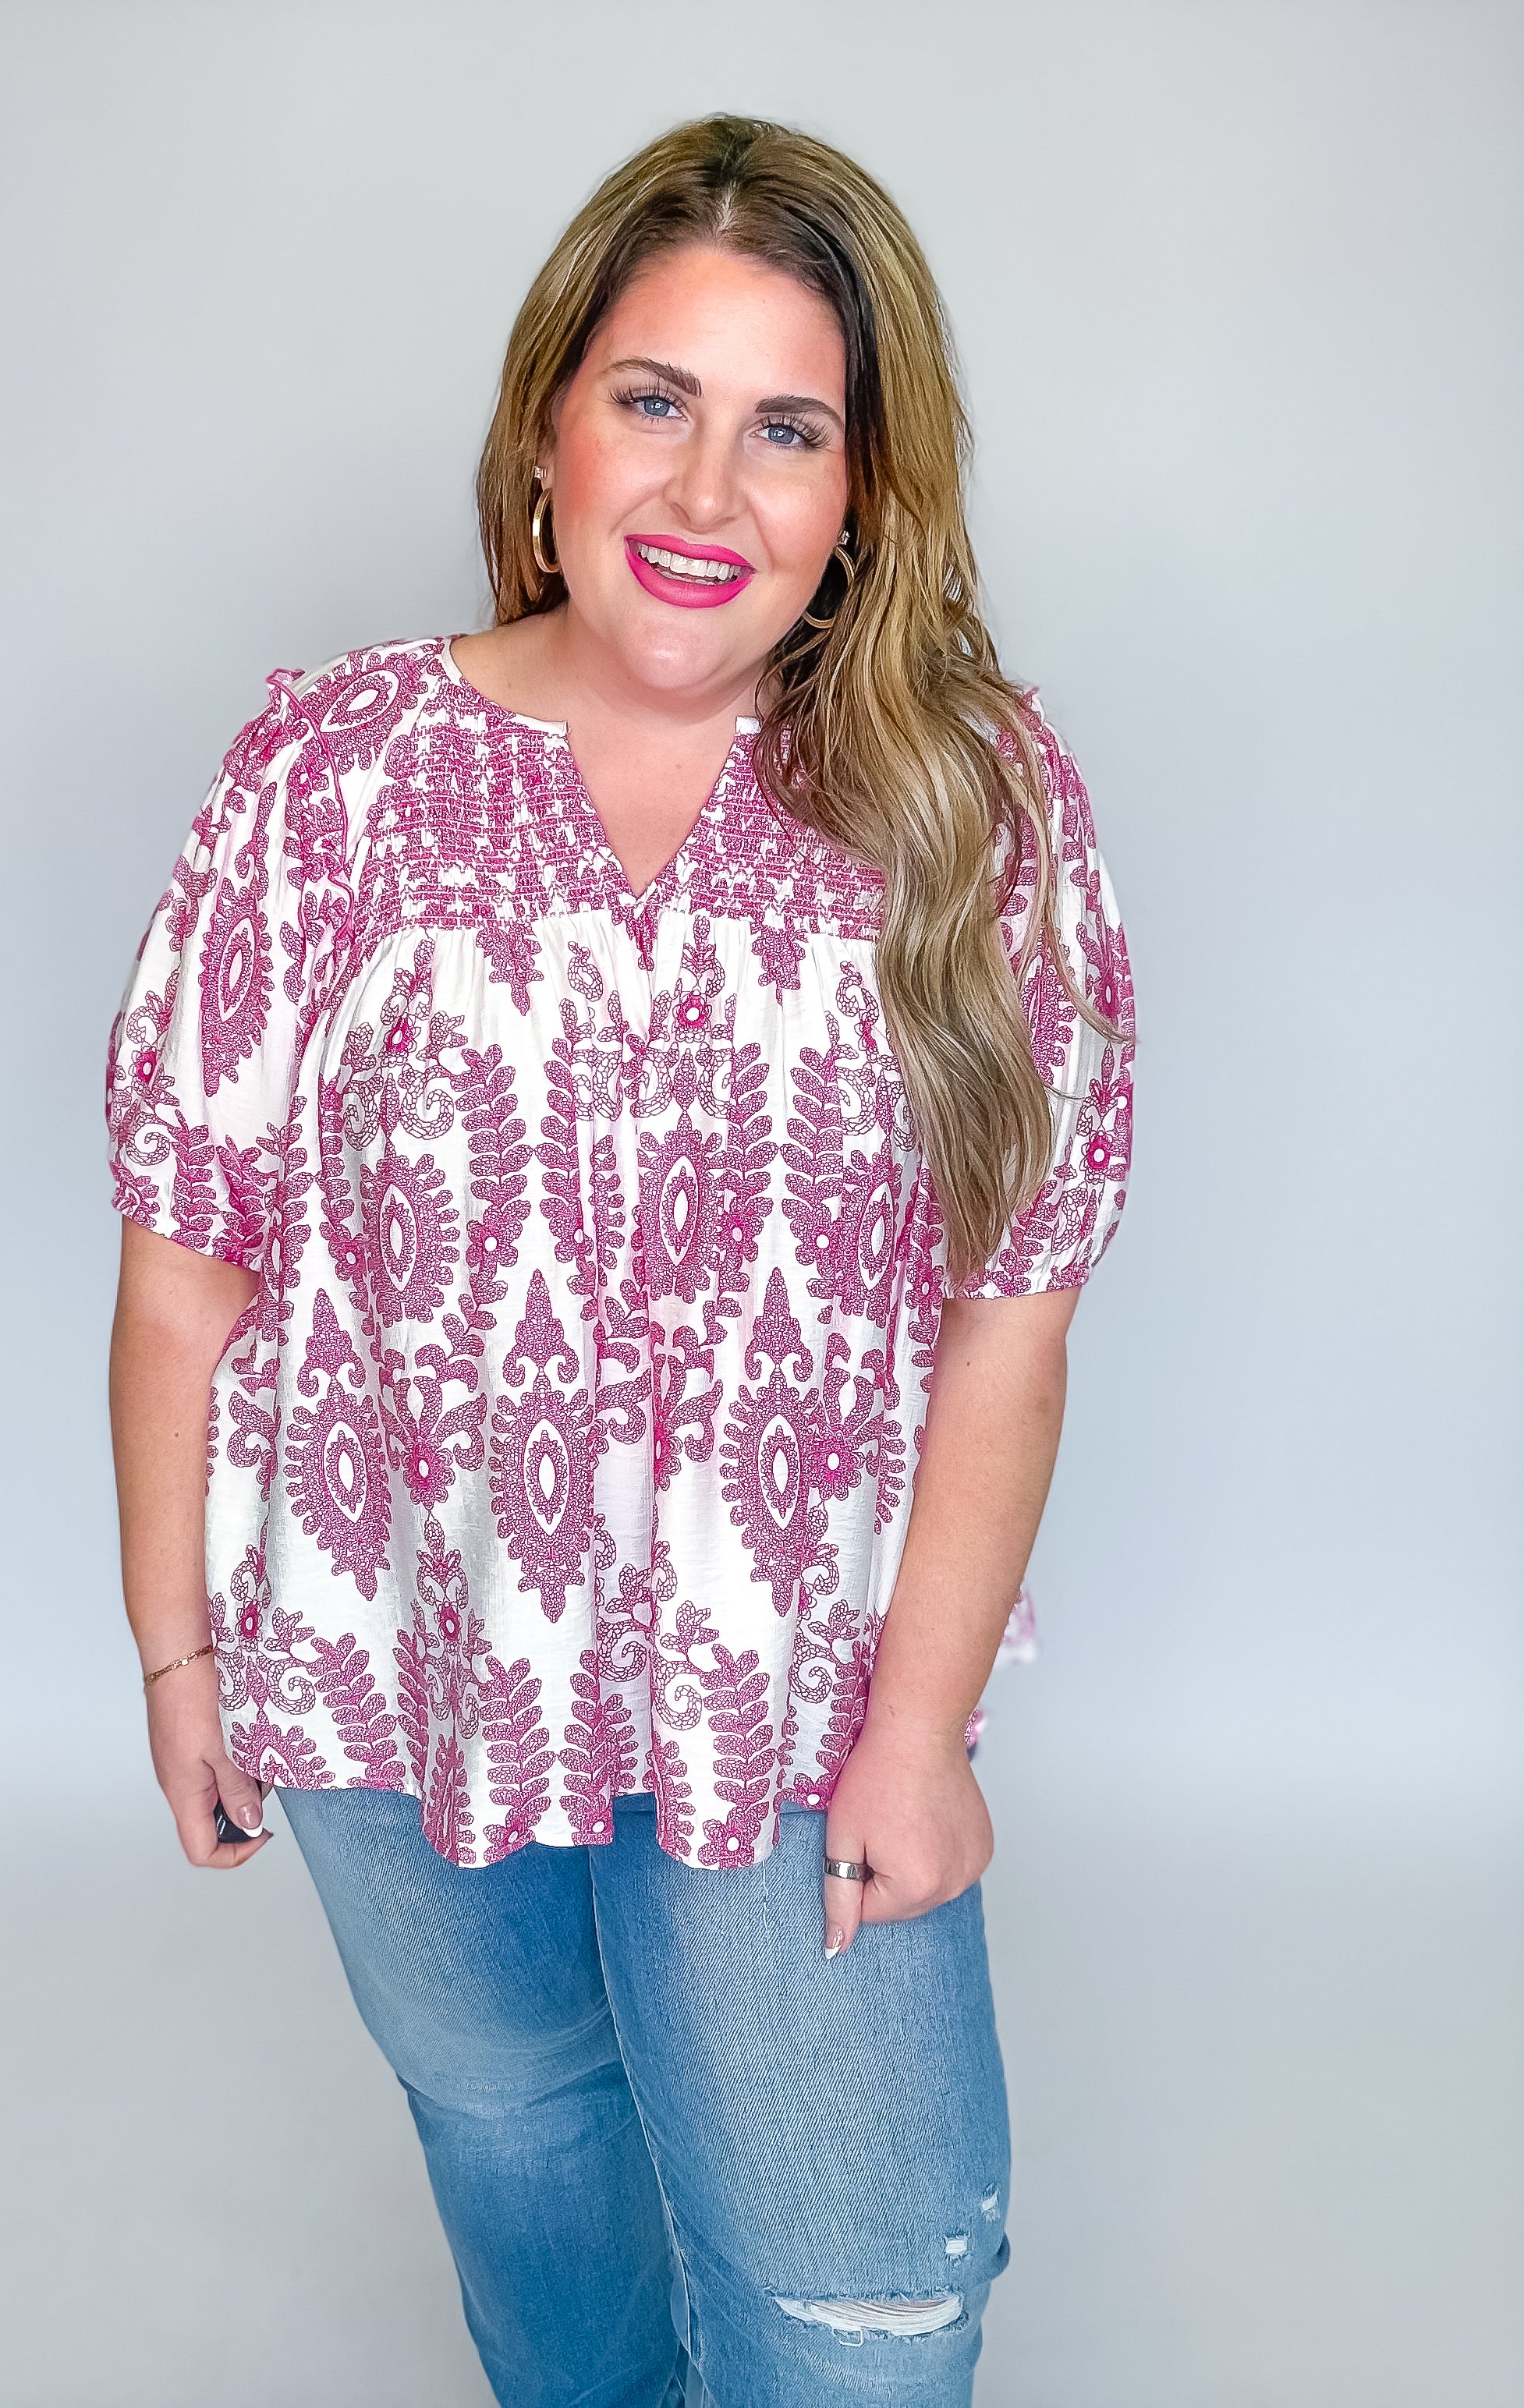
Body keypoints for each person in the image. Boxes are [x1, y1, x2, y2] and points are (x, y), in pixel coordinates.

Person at [106, 112, 1133, 2408]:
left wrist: (918, 1737)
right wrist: (182, 1654)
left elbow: (1014, 1310)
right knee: (522, 2139)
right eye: (654, 398)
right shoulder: (328, 778)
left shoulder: (967, 804)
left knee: (860, 2306)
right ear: (549, 415)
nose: (704, 492)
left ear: (864, 489)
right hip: (386, 1660)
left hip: (792, 1694)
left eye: (789, 428)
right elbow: (187, 1257)